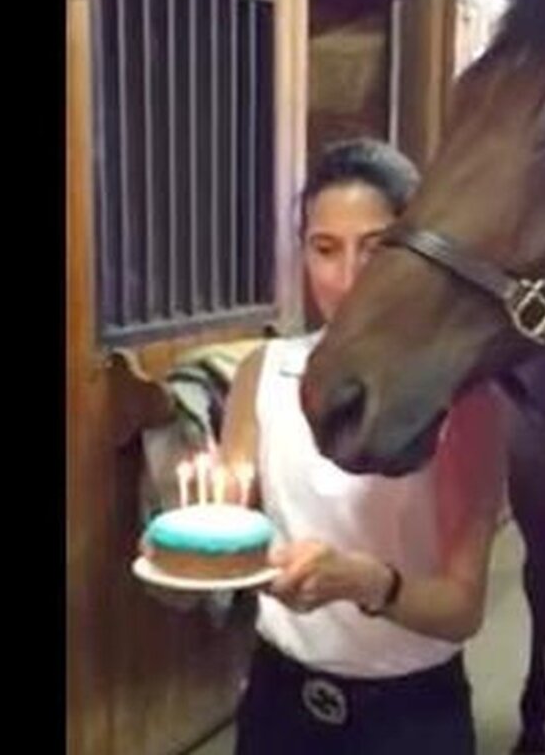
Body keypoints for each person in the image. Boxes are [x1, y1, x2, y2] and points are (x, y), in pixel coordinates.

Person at [217, 138, 506, 754]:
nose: (347, 278)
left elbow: (462, 608)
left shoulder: (463, 397)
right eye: (325, 249)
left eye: (374, 250)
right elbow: (230, 523)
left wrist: (367, 582)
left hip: (409, 716)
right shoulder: (262, 374)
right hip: (278, 698)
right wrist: (192, 541)